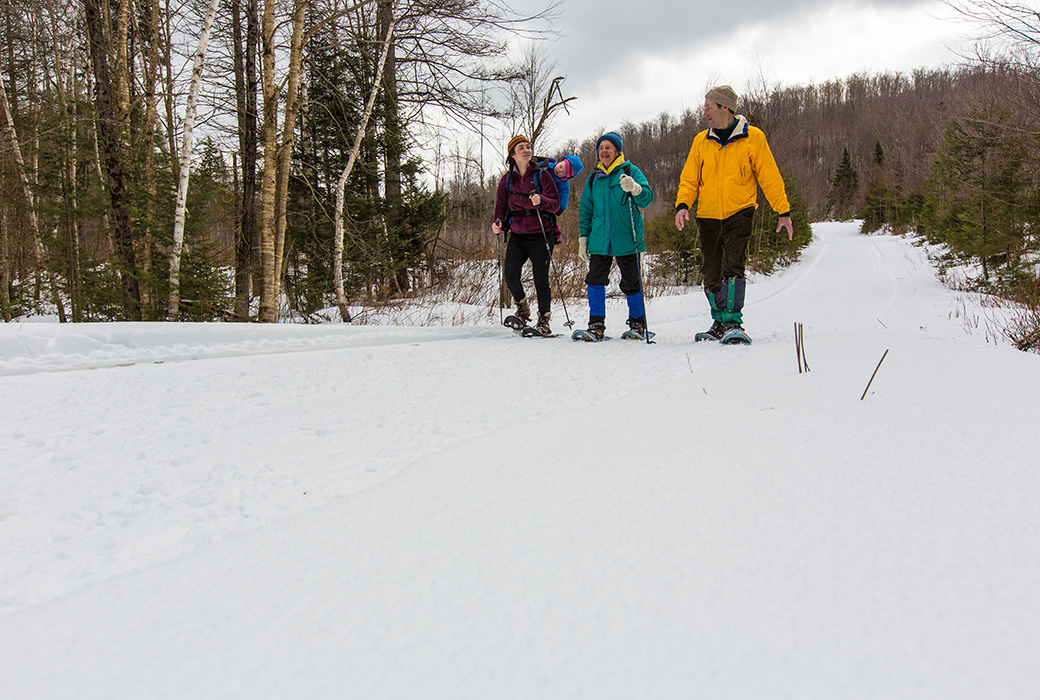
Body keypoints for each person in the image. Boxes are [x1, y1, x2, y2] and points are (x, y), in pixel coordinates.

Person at [674, 85, 794, 344]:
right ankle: (719, 321)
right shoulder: (700, 141)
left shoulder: (753, 138)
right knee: (711, 271)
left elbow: (769, 176)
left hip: (740, 211)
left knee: (733, 265)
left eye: (708, 108)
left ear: (724, 108)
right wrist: (683, 205)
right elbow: (689, 179)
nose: (705, 113)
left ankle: (732, 323)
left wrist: (782, 210)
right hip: (707, 215)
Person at [577, 131, 654, 341]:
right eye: (601, 148)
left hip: (627, 239)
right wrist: (584, 237)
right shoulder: (594, 179)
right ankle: (596, 325)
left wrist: (636, 189)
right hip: (599, 241)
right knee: (594, 280)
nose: (604, 151)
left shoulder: (630, 171)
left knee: (631, 282)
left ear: (617, 151)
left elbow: (647, 199)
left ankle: (637, 324)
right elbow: (586, 211)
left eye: (608, 147)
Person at [492, 135, 561, 336]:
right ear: (512, 154)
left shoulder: (542, 176)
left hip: (541, 234)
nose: (526, 150)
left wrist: (542, 200)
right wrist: (498, 223)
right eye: (521, 148)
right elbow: (500, 207)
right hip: (518, 235)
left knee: (541, 280)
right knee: (511, 275)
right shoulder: (507, 180)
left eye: (528, 147)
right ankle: (523, 310)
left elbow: (555, 204)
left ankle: (544, 321)